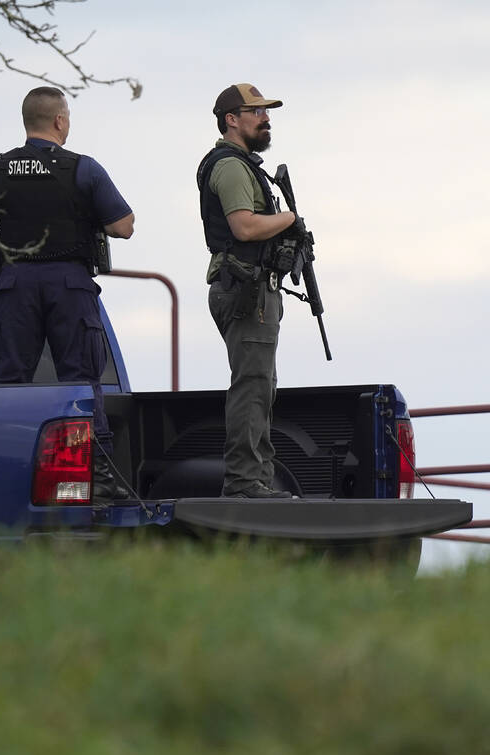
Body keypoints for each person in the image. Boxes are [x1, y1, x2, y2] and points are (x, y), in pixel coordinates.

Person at [0, 86, 135, 502]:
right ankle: (96, 476)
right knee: (80, 382)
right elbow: (124, 225)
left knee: (7, 383)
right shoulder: (83, 169)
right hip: (70, 285)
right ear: (60, 121)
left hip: (16, 286)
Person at [197, 83, 305, 499]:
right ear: (231, 119)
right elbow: (244, 226)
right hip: (245, 290)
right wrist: (290, 218)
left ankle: (256, 480)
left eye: (266, 111)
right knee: (253, 385)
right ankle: (245, 483)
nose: (265, 118)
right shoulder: (231, 166)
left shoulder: (243, 165)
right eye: (256, 111)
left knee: (261, 386)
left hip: (251, 290)